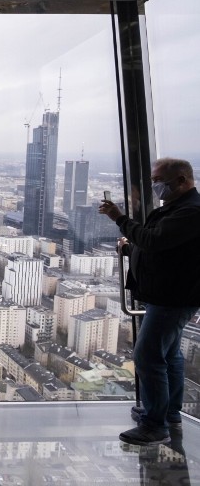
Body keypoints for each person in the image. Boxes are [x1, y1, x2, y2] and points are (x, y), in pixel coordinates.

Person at [99, 157, 200, 446]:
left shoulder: (191, 211)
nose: (155, 186)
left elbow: (154, 242)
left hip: (173, 296)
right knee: (168, 356)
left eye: (159, 180)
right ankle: (168, 412)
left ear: (182, 180)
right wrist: (132, 249)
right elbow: (163, 248)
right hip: (169, 293)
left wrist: (119, 218)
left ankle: (155, 425)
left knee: (148, 356)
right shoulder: (179, 208)